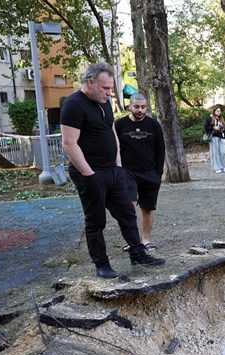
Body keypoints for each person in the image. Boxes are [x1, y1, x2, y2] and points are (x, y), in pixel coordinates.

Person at [61, 62, 165, 279]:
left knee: (127, 214)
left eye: (110, 88)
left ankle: (138, 254)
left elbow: (111, 131)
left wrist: (118, 163)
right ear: (90, 83)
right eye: (105, 88)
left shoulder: (104, 102)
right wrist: (89, 174)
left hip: (113, 171)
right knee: (96, 220)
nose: (109, 93)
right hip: (90, 174)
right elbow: (69, 143)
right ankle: (102, 264)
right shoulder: (73, 105)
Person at [115, 93, 165, 252]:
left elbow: (161, 150)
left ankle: (145, 240)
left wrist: (158, 174)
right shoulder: (119, 125)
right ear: (130, 106)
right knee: (129, 205)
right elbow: (114, 148)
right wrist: (118, 169)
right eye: (136, 107)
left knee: (148, 208)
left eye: (143, 107)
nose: (140, 110)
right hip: (128, 172)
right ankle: (133, 241)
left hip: (150, 172)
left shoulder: (154, 125)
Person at [204, 105, 225, 173]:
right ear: (214, 111)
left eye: (220, 111)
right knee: (215, 153)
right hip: (214, 136)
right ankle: (217, 168)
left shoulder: (222, 118)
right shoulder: (210, 118)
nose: (219, 112)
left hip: (221, 136)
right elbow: (206, 127)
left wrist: (222, 128)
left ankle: (223, 166)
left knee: (224, 152)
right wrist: (213, 127)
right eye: (217, 111)